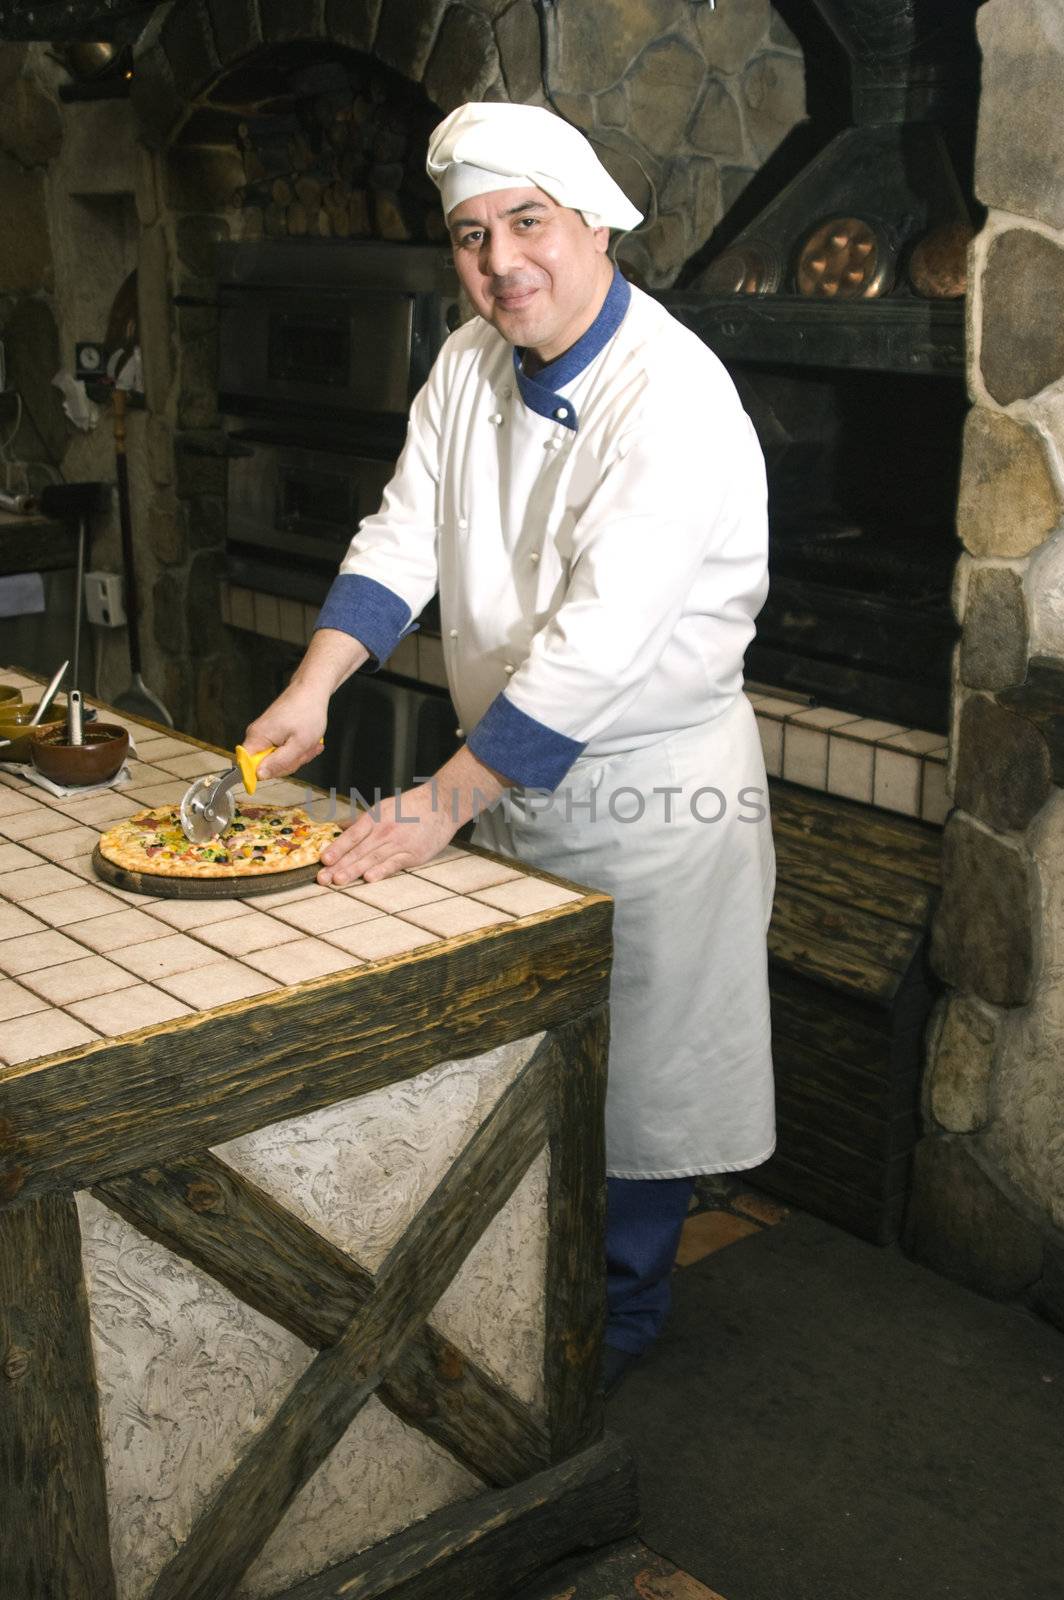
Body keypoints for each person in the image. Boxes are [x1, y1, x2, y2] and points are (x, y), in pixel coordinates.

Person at [245, 101, 776, 1395]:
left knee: (637, 1091)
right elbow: (402, 534)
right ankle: (514, 1296)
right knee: (520, 1055)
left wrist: (437, 803)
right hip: (512, 780)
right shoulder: (471, 362)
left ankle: (615, 1335)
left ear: (591, 222)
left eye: (526, 224)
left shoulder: (673, 398)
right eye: (472, 236)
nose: (500, 263)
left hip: (652, 800)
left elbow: (596, 651)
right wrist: (315, 686)